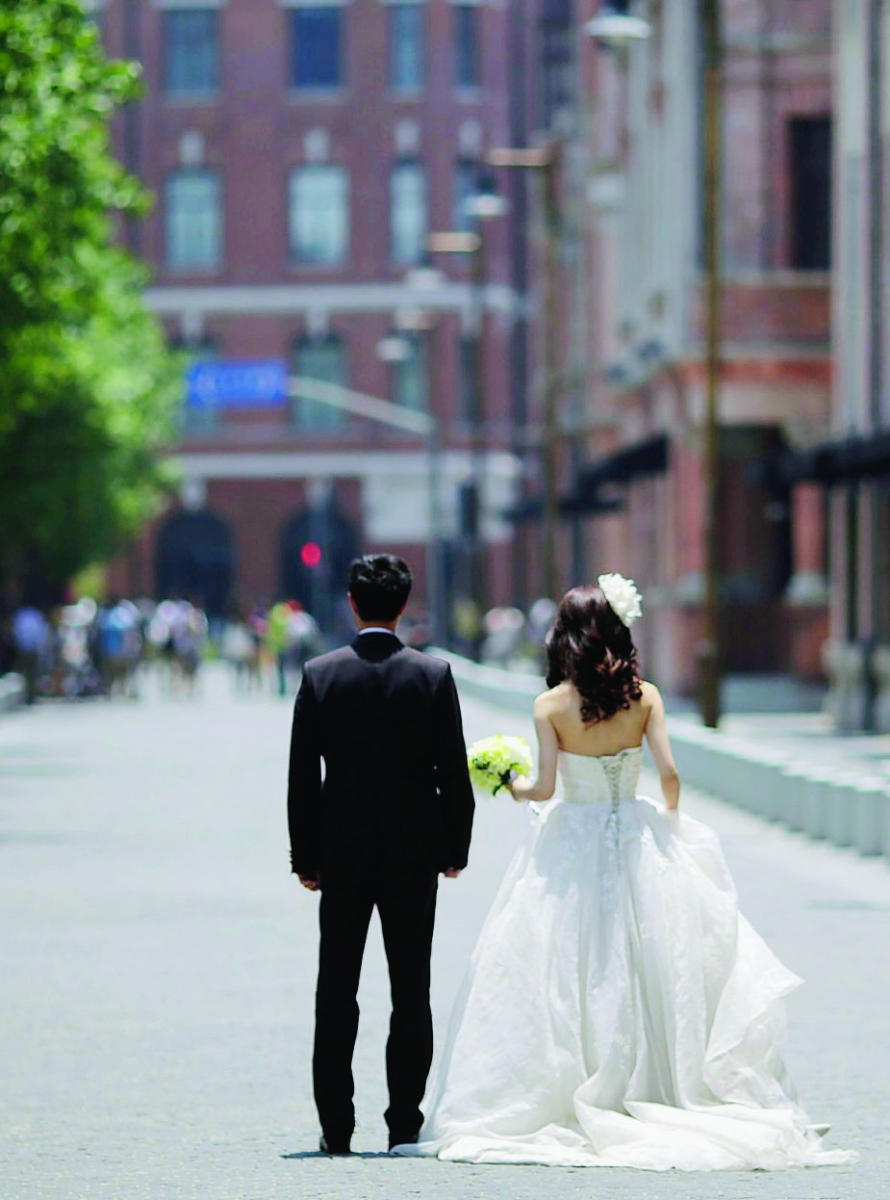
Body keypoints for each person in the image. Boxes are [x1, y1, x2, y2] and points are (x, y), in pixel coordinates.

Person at [394, 576, 855, 1171]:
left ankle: (577, 1081)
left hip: (572, 842)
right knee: (659, 962)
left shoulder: (551, 705)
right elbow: (669, 773)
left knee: (567, 965)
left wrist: (511, 785)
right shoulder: (647, 696)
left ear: (565, 636)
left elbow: (546, 787)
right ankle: (663, 1082)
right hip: (638, 836)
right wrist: (669, 822)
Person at [287, 554, 475, 1156]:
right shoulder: (433, 674)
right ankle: (404, 1123)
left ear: (351, 602)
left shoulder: (320, 674)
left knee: (336, 987)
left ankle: (336, 1126)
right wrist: (454, 847)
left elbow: (301, 779)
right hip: (413, 852)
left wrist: (305, 856)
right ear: (403, 605)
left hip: (341, 852)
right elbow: (455, 772)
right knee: (410, 988)